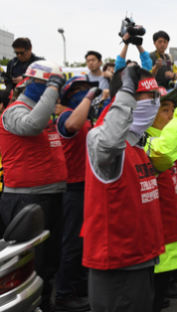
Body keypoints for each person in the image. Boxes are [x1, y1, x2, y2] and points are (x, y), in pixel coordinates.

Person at [81, 65, 165, 312]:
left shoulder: (137, 143)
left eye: (154, 97)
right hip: (118, 264)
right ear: (123, 100)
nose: (151, 104)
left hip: (141, 259)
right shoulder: (100, 139)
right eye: (143, 97)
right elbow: (110, 142)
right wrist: (126, 90)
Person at [0, 60, 67, 311]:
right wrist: (51, 90)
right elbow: (31, 126)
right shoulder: (14, 111)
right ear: (34, 83)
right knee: (31, 264)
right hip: (26, 199)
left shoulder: (46, 111)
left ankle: (45, 304)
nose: (54, 90)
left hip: (51, 195)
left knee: (50, 261)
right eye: (50, 84)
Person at [144, 86, 177, 312]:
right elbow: (163, 153)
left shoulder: (161, 137)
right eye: (166, 110)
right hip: (155, 237)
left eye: (174, 110)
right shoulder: (145, 142)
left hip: (167, 231)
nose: (172, 116)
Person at [55, 76, 101, 312]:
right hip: (73, 188)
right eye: (79, 89)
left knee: (84, 241)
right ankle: (63, 294)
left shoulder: (86, 117)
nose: (84, 92)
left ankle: (79, 285)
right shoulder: (66, 116)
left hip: (88, 186)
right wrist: (90, 96)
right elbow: (72, 126)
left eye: (86, 88)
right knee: (72, 243)